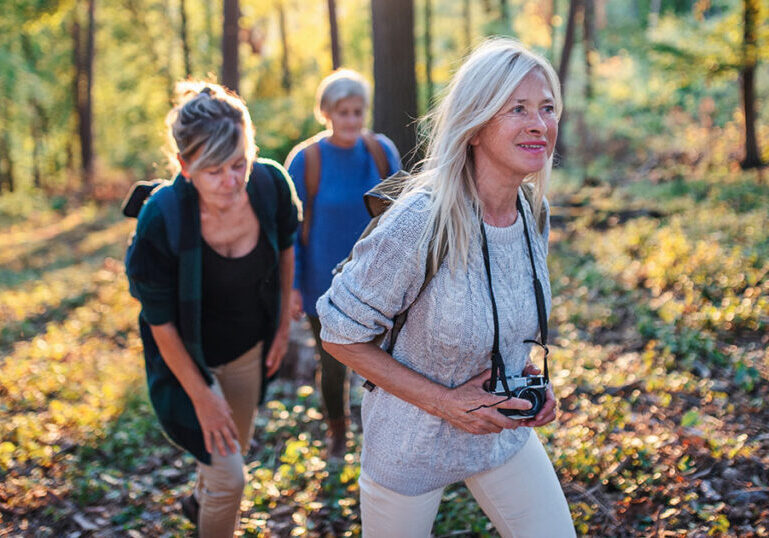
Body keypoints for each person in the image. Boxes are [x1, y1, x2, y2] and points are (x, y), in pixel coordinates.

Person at [316, 38, 576, 536]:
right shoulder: (420, 221)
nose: (538, 124)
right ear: (476, 125)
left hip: (500, 433)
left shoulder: (531, 212)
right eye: (516, 109)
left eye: (546, 108)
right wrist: (445, 401)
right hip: (409, 447)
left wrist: (528, 379)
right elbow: (336, 332)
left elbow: (505, 315)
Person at [125, 81, 300, 537]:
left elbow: (285, 251)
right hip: (186, 358)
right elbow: (158, 320)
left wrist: (281, 327)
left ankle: (199, 503)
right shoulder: (161, 217)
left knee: (231, 449)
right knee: (230, 476)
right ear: (184, 167)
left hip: (248, 348)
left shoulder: (270, 185)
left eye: (239, 163)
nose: (231, 181)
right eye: (214, 171)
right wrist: (203, 395)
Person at [284, 69, 401, 459]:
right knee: (334, 364)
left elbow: (404, 215)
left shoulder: (381, 152)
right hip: (324, 283)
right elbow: (291, 230)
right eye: (343, 112)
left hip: (379, 279)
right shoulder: (306, 160)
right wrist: (294, 286)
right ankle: (338, 434)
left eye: (357, 111)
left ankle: (382, 438)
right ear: (327, 113)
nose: (351, 120)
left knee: (385, 364)